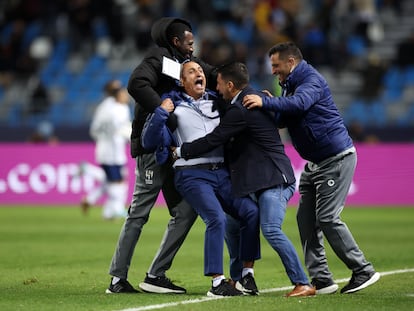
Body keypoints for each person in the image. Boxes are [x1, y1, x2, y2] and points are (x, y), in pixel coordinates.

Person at [242, 41, 380, 294]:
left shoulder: (311, 80)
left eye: (276, 65)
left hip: (335, 158)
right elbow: (285, 118)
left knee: (327, 217)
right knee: (305, 219)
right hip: (314, 163)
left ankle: (363, 270)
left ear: (290, 62)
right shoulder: (289, 84)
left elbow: (299, 104)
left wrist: (266, 103)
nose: (272, 71)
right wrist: (272, 105)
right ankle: (322, 279)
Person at [177, 62, 315, 297]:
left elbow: (215, 139)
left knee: (270, 228)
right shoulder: (252, 98)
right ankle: (240, 279)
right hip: (257, 180)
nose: (216, 89)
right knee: (232, 224)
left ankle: (302, 282)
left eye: (218, 84)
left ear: (230, 85)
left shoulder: (242, 107)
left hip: (273, 179)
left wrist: (180, 151)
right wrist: (270, 102)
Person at [106, 17, 215, 294]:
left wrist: (242, 85)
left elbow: (216, 75)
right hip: (154, 149)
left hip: (175, 152)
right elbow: (136, 83)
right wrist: (161, 109)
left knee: (186, 211)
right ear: (176, 42)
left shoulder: (187, 65)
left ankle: (155, 275)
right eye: (190, 42)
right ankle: (117, 279)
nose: (193, 48)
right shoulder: (159, 58)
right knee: (139, 213)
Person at [142, 60, 260, 297]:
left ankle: (246, 276)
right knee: (216, 217)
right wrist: (159, 112)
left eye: (200, 71)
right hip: (191, 174)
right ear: (181, 81)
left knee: (251, 211)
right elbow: (148, 141)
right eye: (191, 72)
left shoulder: (219, 102)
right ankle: (217, 283)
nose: (199, 74)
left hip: (222, 173)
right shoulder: (172, 105)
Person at [89, 79, 131, 220]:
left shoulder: (104, 107)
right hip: (112, 151)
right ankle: (117, 209)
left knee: (113, 180)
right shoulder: (117, 108)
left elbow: (94, 130)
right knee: (116, 181)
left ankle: (107, 211)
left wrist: (102, 138)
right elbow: (122, 129)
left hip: (108, 149)